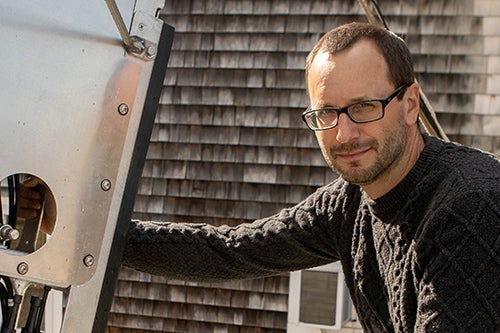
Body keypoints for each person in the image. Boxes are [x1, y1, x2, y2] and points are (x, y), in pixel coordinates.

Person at [19, 22, 500, 332]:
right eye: (326, 113)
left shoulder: (468, 208)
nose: (345, 132)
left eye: (364, 107)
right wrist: (76, 226)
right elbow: (229, 251)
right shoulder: (348, 204)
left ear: (410, 104)